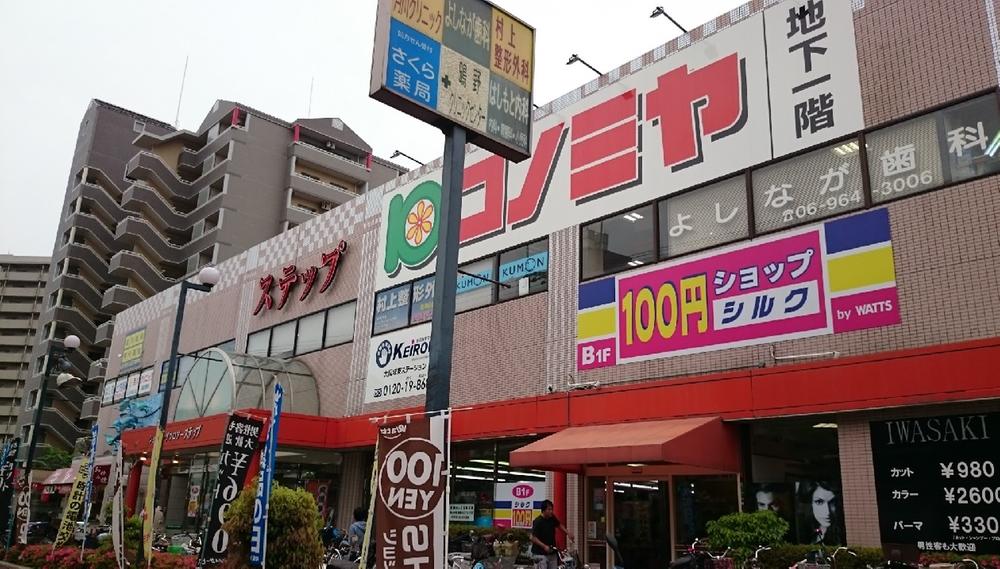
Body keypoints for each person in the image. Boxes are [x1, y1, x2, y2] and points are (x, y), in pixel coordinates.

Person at [531, 500, 574, 569]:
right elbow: (533, 537)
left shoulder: (552, 518)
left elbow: (559, 524)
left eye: (551, 509)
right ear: (543, 510)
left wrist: (568, 533)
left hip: (552, 551)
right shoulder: (538, 521)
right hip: (540, 553)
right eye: (549, 509)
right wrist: (544, 546)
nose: (551, 511)